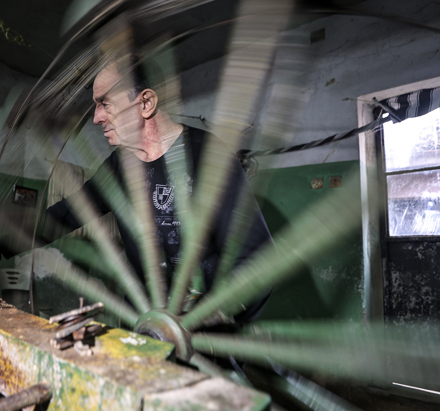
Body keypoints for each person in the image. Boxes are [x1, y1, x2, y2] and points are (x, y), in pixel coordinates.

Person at [44, 54, 272, 323]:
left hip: (197, 331)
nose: (96, 118)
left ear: (146, 103)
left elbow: (256, 259)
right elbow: (70, 212)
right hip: (142, 321)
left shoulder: (209, 157)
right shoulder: (120, 165)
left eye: (104, 103)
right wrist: (3, 239)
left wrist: (209, 319)